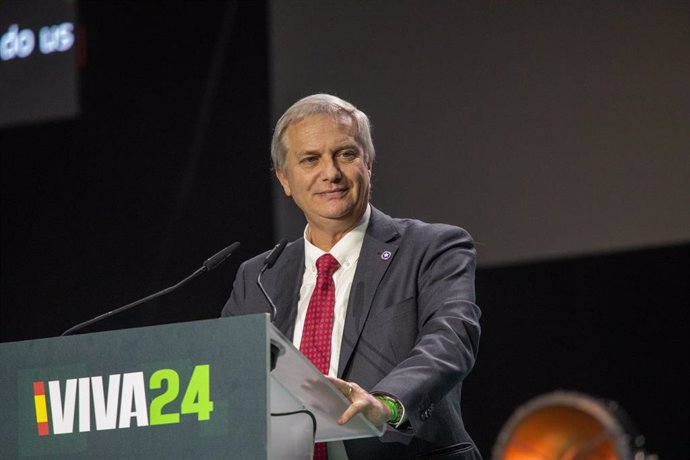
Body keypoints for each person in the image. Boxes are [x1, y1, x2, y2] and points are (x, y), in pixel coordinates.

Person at [221, 94, 482, 460]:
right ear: (285, 178)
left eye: (345, 154)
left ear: (369, 163)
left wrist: (385, 404)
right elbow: (229, 379)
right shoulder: (258, 276)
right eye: (310, 159)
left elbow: (450, 340)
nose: (331, 173)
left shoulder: (432, 247)